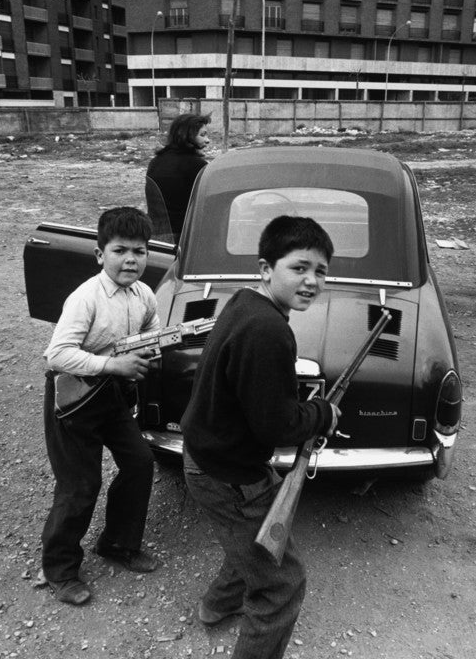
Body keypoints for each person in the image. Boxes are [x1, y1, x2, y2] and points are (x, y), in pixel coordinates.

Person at [181, 215, 340, 659]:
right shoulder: (269, 330)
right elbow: (278, 427)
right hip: (227, 472)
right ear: (266, 268)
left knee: (249, 539)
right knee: (282, 586)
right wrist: (323, 413)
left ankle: (216, 606)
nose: (311, 280)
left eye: (321, 271)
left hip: (210, 456)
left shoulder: (244, 303)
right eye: (300, 267)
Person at [41, 206, 161, 606]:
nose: (131, 260)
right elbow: (57, 354)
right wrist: (113, 363)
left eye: (140, 251)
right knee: (80, 485)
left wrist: (151, 349)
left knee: (141, 462)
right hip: (72, 398)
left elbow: (150, 329)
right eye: (120, 250)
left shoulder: (144, 294)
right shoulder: (86, 298)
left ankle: (117, 544)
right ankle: (59, 570)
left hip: (110, 394)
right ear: (99, 255)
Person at [146, 113, 211, 240]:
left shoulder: (156, 162)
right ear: (187, 136)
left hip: (155, 236)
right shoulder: (196, 165)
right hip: (184, 237)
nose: (207, 140)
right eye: (202, 135)